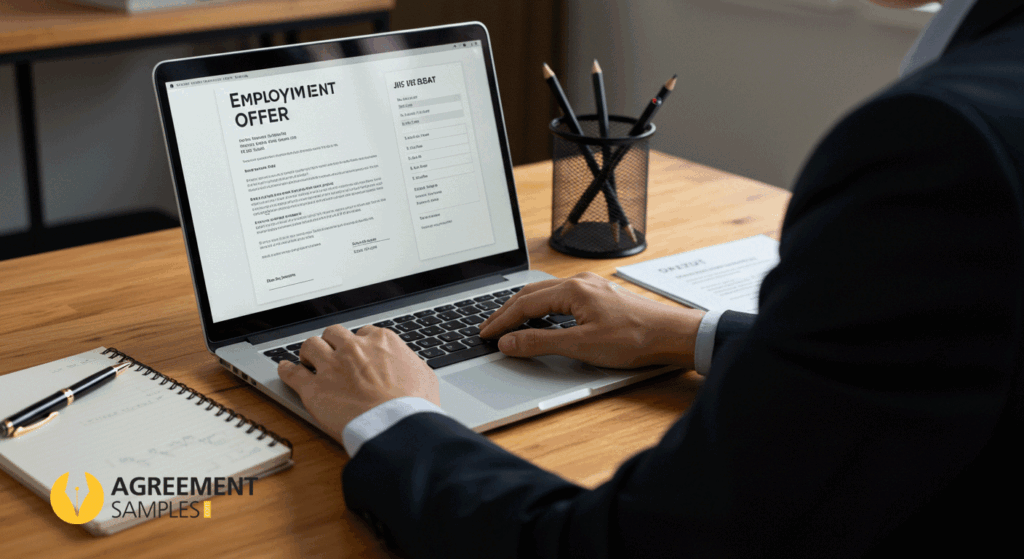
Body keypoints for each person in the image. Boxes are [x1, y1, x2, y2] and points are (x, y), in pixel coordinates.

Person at [278, 0, 1024, 556]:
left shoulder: (939, 139)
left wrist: (393, 419)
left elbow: (621, 543)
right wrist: (689, 333)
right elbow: (930, 359)